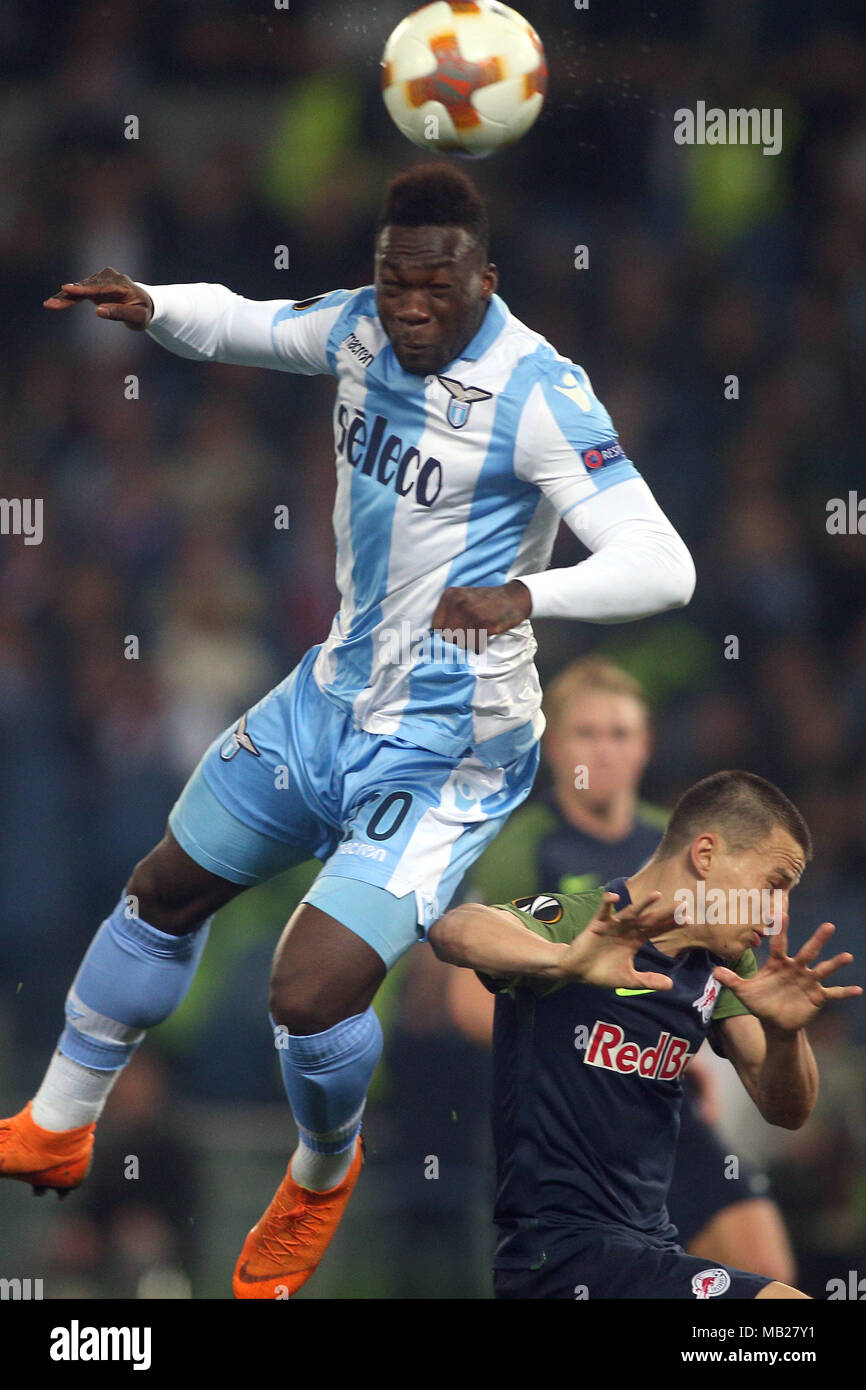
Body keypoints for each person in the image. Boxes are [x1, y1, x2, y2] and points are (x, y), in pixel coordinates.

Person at [0, 164, 695, 1299]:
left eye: (436, 284)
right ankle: (56, 1123)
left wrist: (532, 595)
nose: (409, 304)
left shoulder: (539, 393)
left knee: (306, 990)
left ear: (486, 280)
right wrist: (155, 304)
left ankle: (321, 1174)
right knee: (164, 888)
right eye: (392, 279)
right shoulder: (362, 328)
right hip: (328, 697)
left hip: (451, 748)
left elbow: (663, 563)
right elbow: (252, 323)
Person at [429, 770, 862, 1299]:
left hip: (647, 1249)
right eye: (774, 885)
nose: (778, 915)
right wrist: (565, 961)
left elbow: (787, 1109)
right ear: (705, 855)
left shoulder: (723, 965)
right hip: (561, 1257)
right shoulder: (588, 924)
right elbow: (454, 931)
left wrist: (785, 1034)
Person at [456, 656, 795, 1283]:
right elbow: (465, 982)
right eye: (587, 734)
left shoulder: (677, 850)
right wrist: (573, 990)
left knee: (765, 1265)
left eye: (620, 734)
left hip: (666, 1112)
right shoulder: (524, 848)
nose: (604, 752)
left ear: (645, 748)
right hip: (571, 1114)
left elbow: (742, 1034)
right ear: (553, 747)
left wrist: (677, 1042)